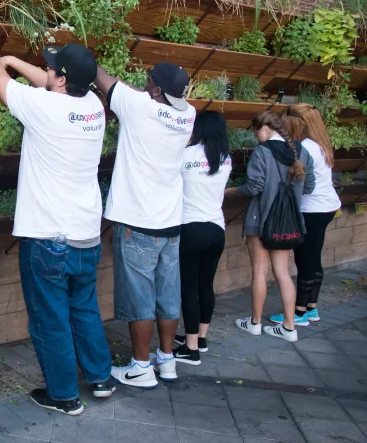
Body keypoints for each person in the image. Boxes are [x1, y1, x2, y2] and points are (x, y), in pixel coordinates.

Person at [0, 42, 116, 413]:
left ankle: (64, 395)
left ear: (62, 79)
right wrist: (16, 61)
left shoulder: (44, 107)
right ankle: (100, 378)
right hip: (85, 232)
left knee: (50, 319)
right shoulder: (94, 108)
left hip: (49, 237)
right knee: (83, 308)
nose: (46, 72)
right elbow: (48, 84)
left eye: (52, 69)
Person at [92, 62, 196, 388]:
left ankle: (140, 367)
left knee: (139, 299)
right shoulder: (188, 113)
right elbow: (143, 96)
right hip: (170, 224)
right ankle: (166, 361)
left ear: (153, 90)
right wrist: (147, 92)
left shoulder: (137, 106)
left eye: (148, 81)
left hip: (138, 222)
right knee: (166, 295)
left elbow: (99, 75)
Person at [228, 111, 315, 343]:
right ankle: (289, 327)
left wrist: (233, 191)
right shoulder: (301, 151)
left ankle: (254, 323)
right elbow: (309, 185)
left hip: (260, 221)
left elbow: (254, 186)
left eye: (256, 132)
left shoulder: (262, 151)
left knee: (259, 271)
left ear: (264, 128)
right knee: (283, 273)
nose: (257, 137)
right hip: (287, 222)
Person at [269, 104, 339, 326]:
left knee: (305, 260)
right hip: (327, 206)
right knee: (314, 257)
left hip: (312, 208)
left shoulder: (304, 147)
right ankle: (311, 308)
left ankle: (298, 313)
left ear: (298, 124)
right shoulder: (321, 144)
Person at [172, 111, 231, 366]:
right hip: (217, 229)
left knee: (189, 289)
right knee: (206, 285)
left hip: (191, 228)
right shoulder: (225, 159)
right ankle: (201, 338)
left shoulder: (186, 155)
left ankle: (191, 348)